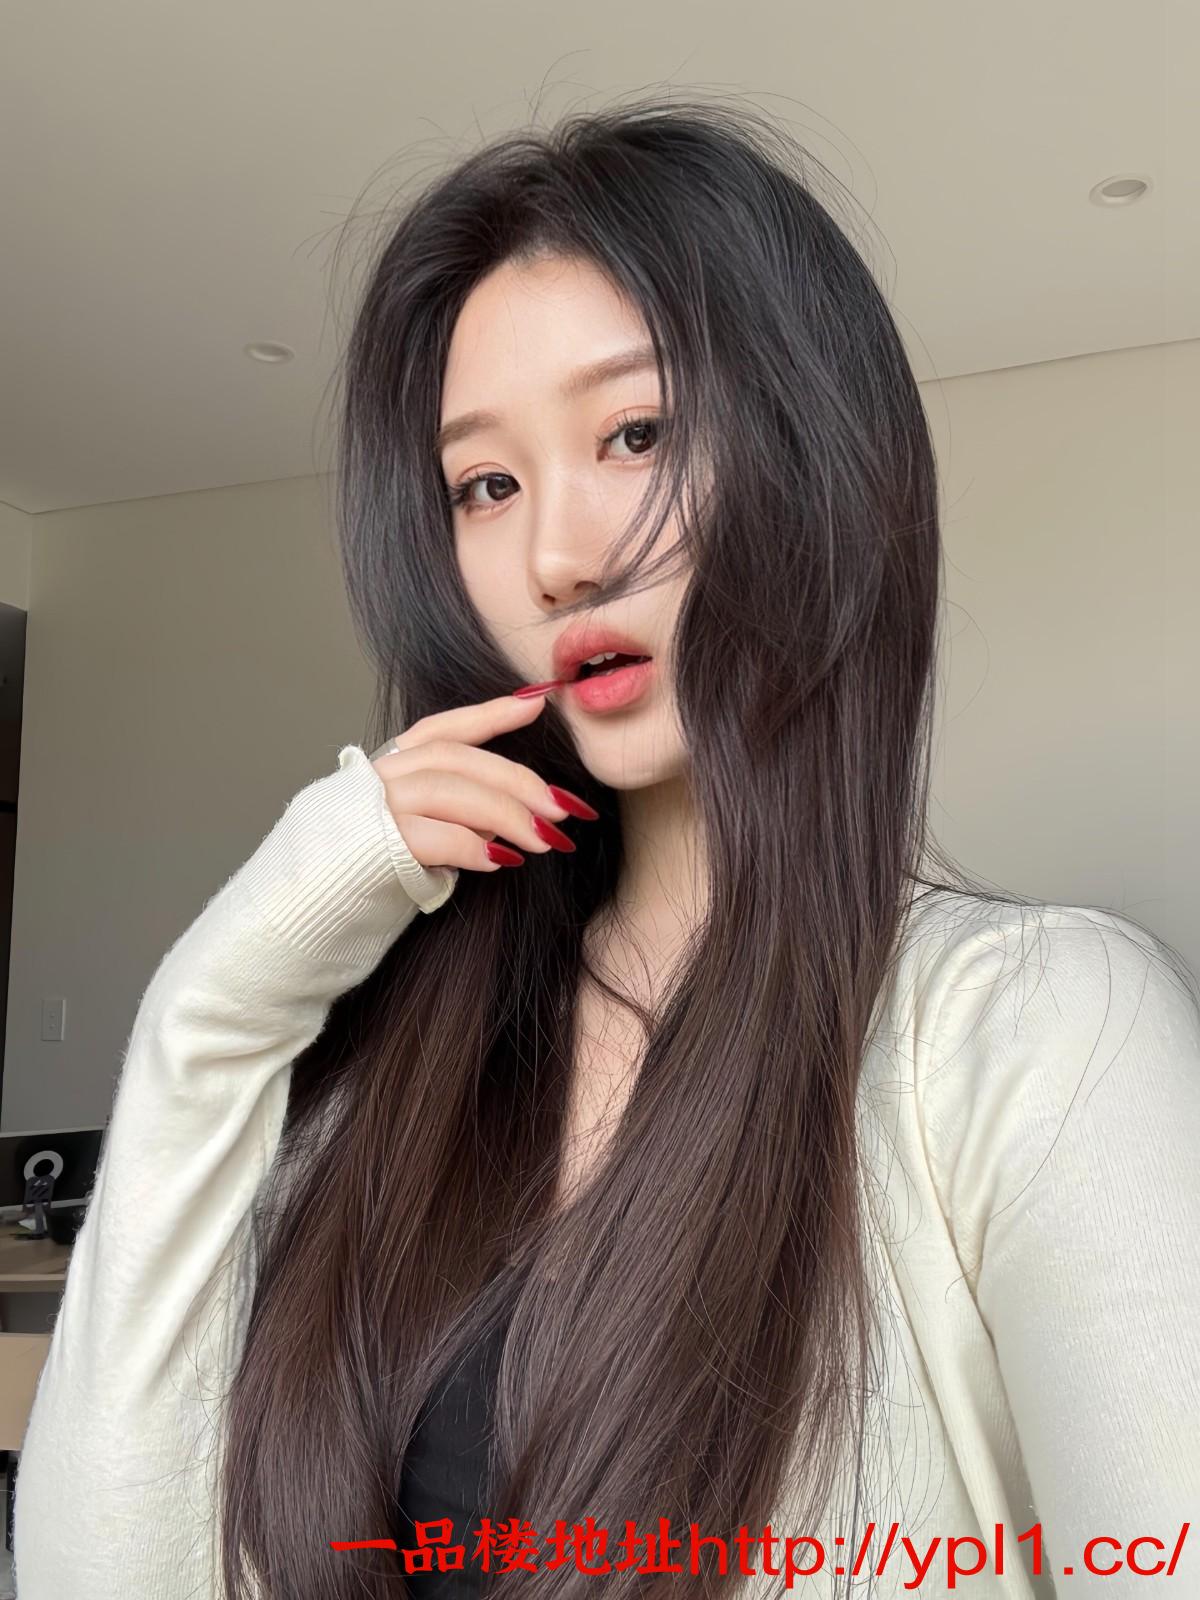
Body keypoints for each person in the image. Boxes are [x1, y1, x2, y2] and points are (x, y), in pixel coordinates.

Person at [12, 94, 1200, 1600]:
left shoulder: (1036, 1039)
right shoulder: (380, 1089)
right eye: (486, 485)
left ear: (819, 460)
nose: (556, 557)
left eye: (637, 433)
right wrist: (211, 1018)